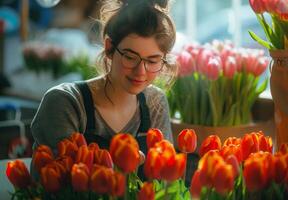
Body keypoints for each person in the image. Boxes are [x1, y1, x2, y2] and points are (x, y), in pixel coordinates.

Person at [31, 0, 177, 178]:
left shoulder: (155, 102)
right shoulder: (65, 103)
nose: (141, 71)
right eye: (130, 57)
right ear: (109, 48)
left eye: (153, 61)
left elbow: (165, 182)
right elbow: (58, 186)